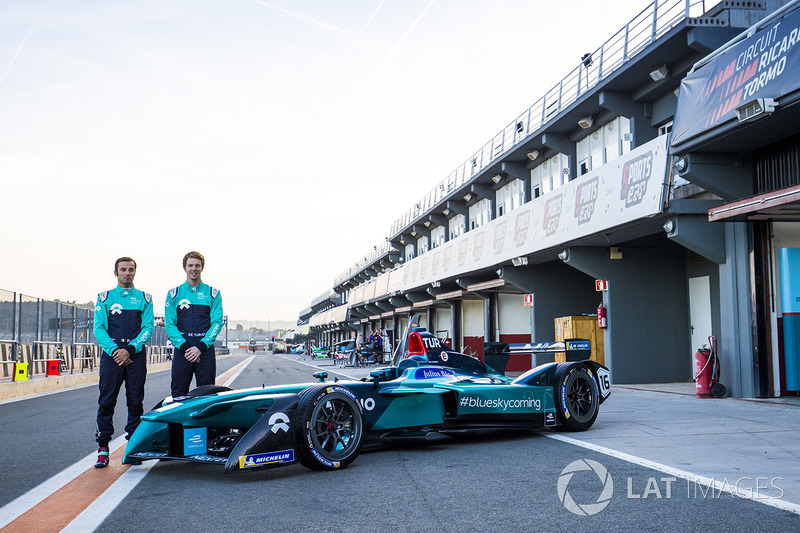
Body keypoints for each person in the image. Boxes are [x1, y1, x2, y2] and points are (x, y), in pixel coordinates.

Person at [93, 257, 154, 468]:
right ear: (115, 273)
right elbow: (99, 329)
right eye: (123, 270)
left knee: (135, 400)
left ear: (135, 272)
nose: (127, 273)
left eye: (131, 270)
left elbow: (148, 328)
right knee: (107, 400)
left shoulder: (145, 298)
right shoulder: (105, 297)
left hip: (135, 355)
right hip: (112, 357)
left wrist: (129, 349)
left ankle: (133, 446)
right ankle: (102, 448)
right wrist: (115, 351)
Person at [165, 251, 224, 397]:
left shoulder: (213, 293)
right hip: (182, 349)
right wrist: (187, 348)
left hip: (205, 349)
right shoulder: (174, 293)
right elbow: (169, 324)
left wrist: (200, 347)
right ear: (184, 268)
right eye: (190, 265)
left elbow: (217, 323)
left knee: (207, 396)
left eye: (197, 265)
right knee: (178, 395)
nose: (194, 269)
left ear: (202, 268)